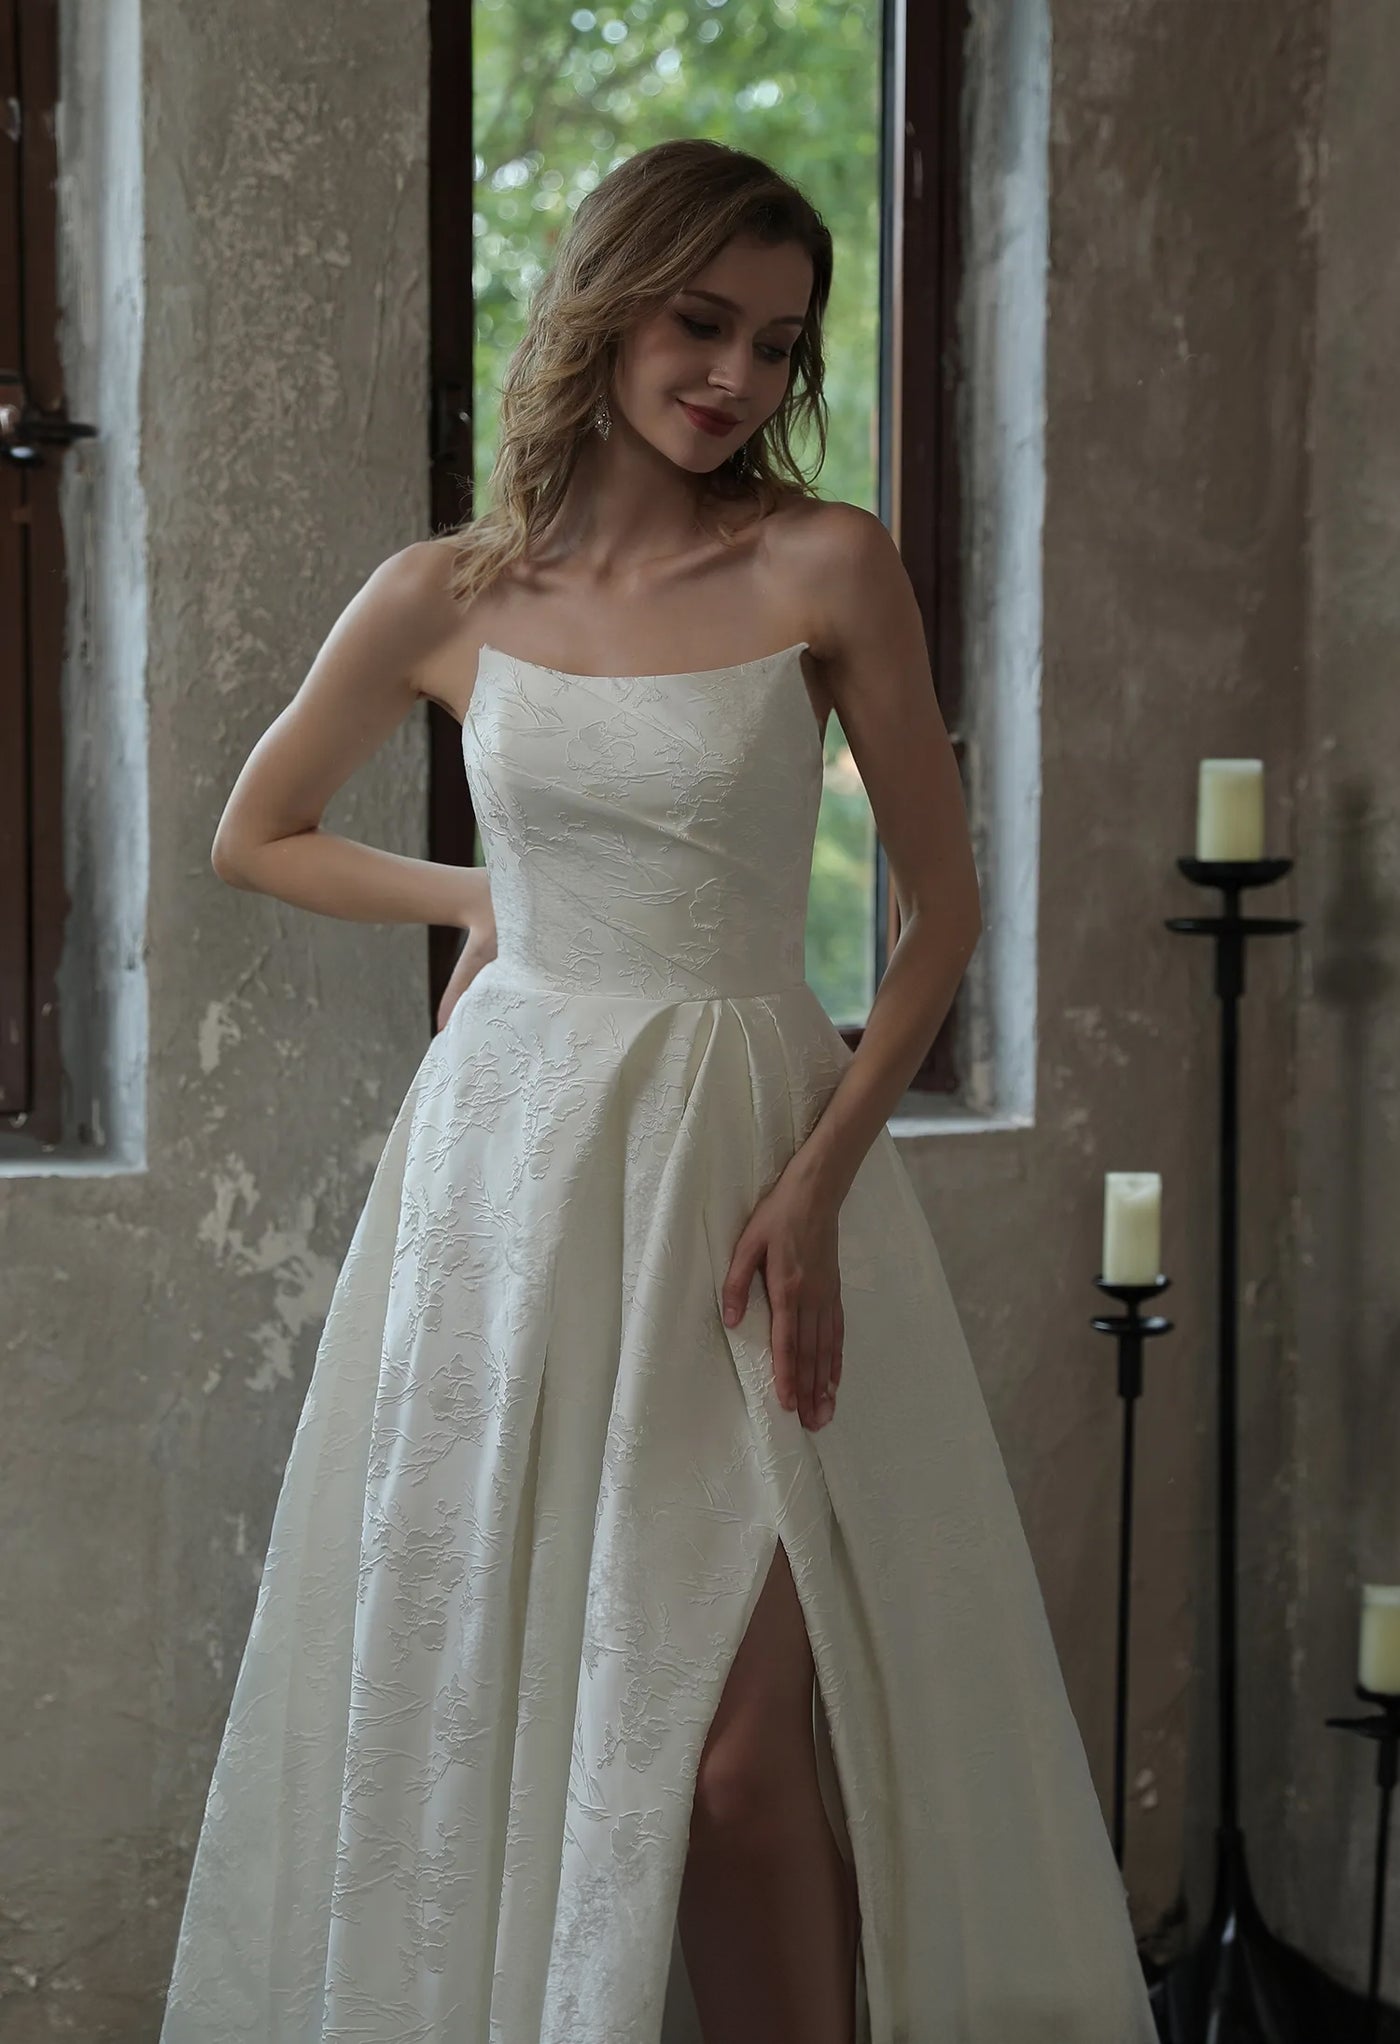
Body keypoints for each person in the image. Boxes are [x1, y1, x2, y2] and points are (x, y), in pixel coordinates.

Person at [160, 138, 1158, 2044]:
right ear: (612, 301)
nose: (739, 379)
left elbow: (941, 921)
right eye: (705, 324)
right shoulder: (448, 592)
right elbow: (254, 833)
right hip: (513, 1174)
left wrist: (818, 1188)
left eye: (780, 346)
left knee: (735, 1755)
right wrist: (486, 895)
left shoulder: (821, 562)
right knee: (530, 1689)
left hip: (745, 1147)